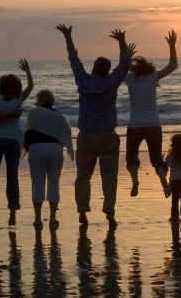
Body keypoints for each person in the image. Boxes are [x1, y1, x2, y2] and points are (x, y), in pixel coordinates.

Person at [57, 24, 133, 228]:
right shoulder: (111, 82)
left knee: (83, 175)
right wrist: (122, 41)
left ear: (93, 68)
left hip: (87, 136)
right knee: (109, 176)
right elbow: (125, 64)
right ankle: (109, 210)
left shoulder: (83, 81)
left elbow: (74, 59)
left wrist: (68, 36)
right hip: (107, 135)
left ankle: (83, 209)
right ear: (107, 70)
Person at [124, 30, 178, 198]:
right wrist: (172, 46)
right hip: (153, 125)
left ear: (134, 68)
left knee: (131, 155)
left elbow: (120, 71)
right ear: (149, 68)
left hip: (135, 125)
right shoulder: (153, 77)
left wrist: (127, 56)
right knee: (156, 158)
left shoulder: (130, 79)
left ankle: (135, 180)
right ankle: (162, 178)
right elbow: (173, 66)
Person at [0, 60, 34, 226]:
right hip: (13, 141)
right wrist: (27, 71)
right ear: (17, 87)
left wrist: (4, 115)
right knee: (12, 176)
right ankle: (12, 212)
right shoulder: (18, 101)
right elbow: (31, 86)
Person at [23, 89, 74, 228]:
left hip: (37, 148)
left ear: (40, 101)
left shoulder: (33, 112)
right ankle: (52, 218)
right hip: (55, 149)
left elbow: (27, 131)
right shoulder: (60, 117)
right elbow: (66, 133)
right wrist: (69, 150)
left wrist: (25, 149)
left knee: (37, 181)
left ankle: (38, 219)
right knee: (54, 182)